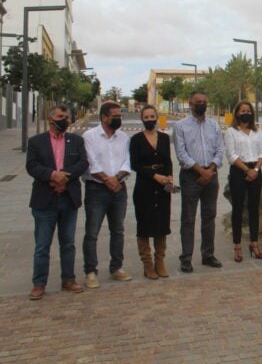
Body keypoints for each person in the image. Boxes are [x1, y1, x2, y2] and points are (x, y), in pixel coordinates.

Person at [26, 105, 89, 300]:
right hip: (45, 199)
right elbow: (32, 166)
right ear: (50, 118)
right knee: (42, 245)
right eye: (61, 116)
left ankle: (68, 279)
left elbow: (83, 163)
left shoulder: (76, 140)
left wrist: (65, 177)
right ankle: (39, 283)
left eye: (66, 117)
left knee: (68, 243)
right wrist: (53, 175)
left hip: (68, 198)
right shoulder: (36, 141)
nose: (65, 120)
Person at [82, 101, 133, 288]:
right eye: (115, 116)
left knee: (118, 230)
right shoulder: (90, 136)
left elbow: (127, 161)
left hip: (119, 189)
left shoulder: (124, 137)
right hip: (96, 190)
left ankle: (116, 267)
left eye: (120, 115)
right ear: (104, 117)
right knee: (92, 232)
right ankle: (90, 271)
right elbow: (91, 163)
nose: (119, 119)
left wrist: (117, 178)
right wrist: (107, 180)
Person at [174, 91, 225, 273]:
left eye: (204, 101)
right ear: (190, 104)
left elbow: (220, 150)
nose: (201, 104)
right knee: (188, 218)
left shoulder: (214, 125)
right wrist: (200, 171)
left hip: (211, 174)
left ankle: (208, 255)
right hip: (191, 176)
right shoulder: (180, 126)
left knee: (209, 217)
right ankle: (186, 258)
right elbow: (181, 154)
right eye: (198, 101)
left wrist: (210, 170)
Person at [129, 105, 173, 280]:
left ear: (157, 117)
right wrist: (154, 176)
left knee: (162, 223)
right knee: (144, 225)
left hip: (162, 187)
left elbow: (168, 161)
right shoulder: (136, 139)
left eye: (152, 116)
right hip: (144, 186)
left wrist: (169, 177)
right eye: (146, 117)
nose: (149, 120)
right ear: (142, 119)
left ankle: (160, 261)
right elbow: (134, 165)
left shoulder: (164, 138)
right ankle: (147, 264)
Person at [224, 100, 262, 261]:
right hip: (238, 171)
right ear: (237, 113)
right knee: (238, 208)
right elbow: (231, 155)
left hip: (255, 170)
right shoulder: (231, 132)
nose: (246, 113)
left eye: (248, 111)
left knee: (254, 208)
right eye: (242, 111)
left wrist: (255, 170)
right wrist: (247, 170)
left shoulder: (257, 131)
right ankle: (237, 245)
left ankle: (254, 243)